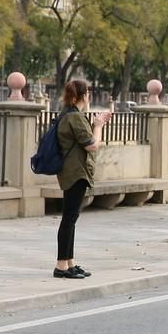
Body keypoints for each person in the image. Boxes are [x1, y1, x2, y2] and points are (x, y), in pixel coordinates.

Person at [54, 80, 112, 279]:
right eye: (88, 93)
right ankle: (61, 266)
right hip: (75, 172)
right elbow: (92, 145)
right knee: (69, 218)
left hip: (72, 171)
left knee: (71, 217)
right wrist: (98, 125)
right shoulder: (75, 118)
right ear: (84, 96)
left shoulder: (67, 114)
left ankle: (69, 262)